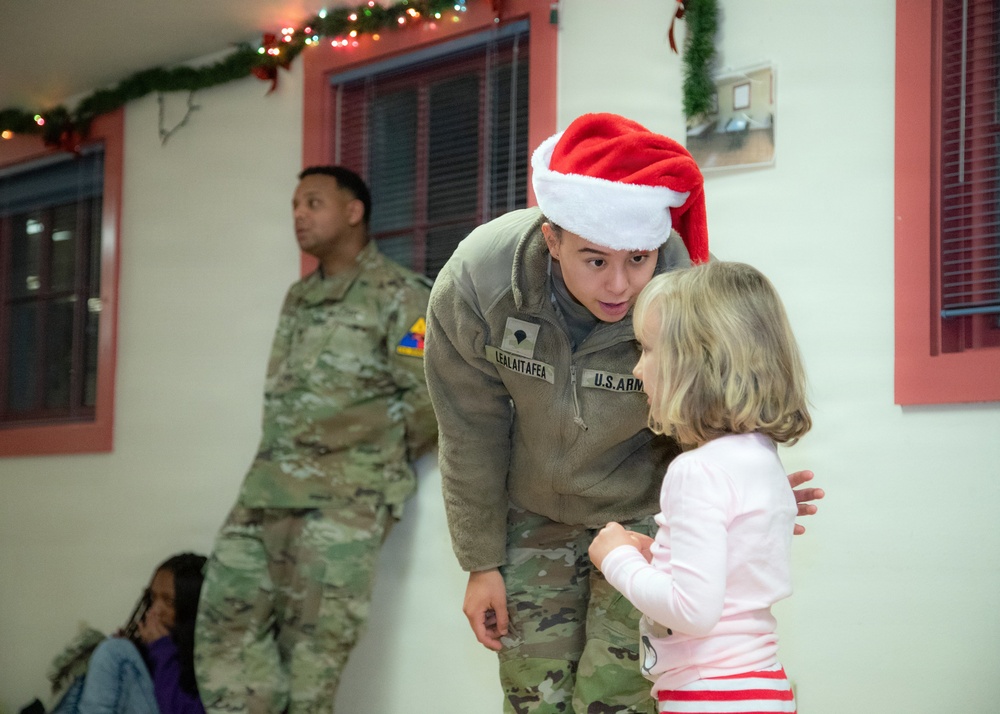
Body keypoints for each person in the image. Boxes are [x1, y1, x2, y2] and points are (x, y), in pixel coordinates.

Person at [423, 113, 823, 713]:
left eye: (638, 259)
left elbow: (720, 405)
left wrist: (746, 495)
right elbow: (469, 427)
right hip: (532, 511)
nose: (619, 285)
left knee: (617, 701)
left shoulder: (686, 295)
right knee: (533, 695)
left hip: (649, 520)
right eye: (594, 261)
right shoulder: (479, 283)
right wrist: (480, 562)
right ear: (552, 237)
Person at [194, 166, 437, 713]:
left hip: (344, 506)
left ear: (354, 212)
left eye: (313, 203)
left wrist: (373, 462)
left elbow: (428, 401)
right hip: (263, 493)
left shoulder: (400, 295)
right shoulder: (298, 297)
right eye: (295, 206)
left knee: (313, 664)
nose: (299, 215)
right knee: (223, 627)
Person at [589, 261, 810, 713]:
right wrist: (660, 555)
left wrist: (617, 559)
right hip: (759, 688)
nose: (636, 369)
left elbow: (693, 612)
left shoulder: (697, 472)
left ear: (696, 366)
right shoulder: (759, 457)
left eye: (648, 351)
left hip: (708, 696)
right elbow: (727, 580)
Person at [50, 552, 208, 714]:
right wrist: (141, 652)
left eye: (169, 601)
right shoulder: (160, 643)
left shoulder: (213, 655)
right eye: (152, 598)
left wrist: (161, 648)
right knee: (98, 658)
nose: (155, 610)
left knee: (115, 652)